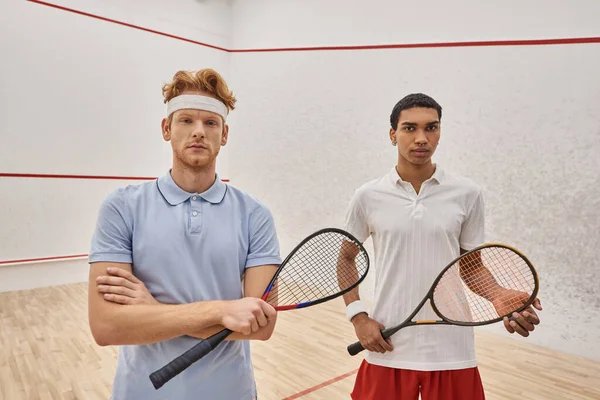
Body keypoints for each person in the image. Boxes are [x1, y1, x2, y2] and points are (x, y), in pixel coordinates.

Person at [87, 68, 282, 400]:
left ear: (224, 134)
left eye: (210, 123)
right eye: (186, 121)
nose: (198, 132)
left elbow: (261, 326)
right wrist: (221, 311)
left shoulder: (255, 215)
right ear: (166, 128)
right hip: (141, 392)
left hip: (230, 391)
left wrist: (150, 309)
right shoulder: (121, 207)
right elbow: (107, 327)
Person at [341, 93, 543, 400]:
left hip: (452, 348)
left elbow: (471, 267)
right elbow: (346, 259)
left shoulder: (467, 193)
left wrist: (498, 294)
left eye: (431, 128)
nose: (421, 138)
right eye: (410, 128)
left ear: (439, 132)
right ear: (393, 134)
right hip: (388, 343)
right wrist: (358, 317)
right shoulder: (368, 196)